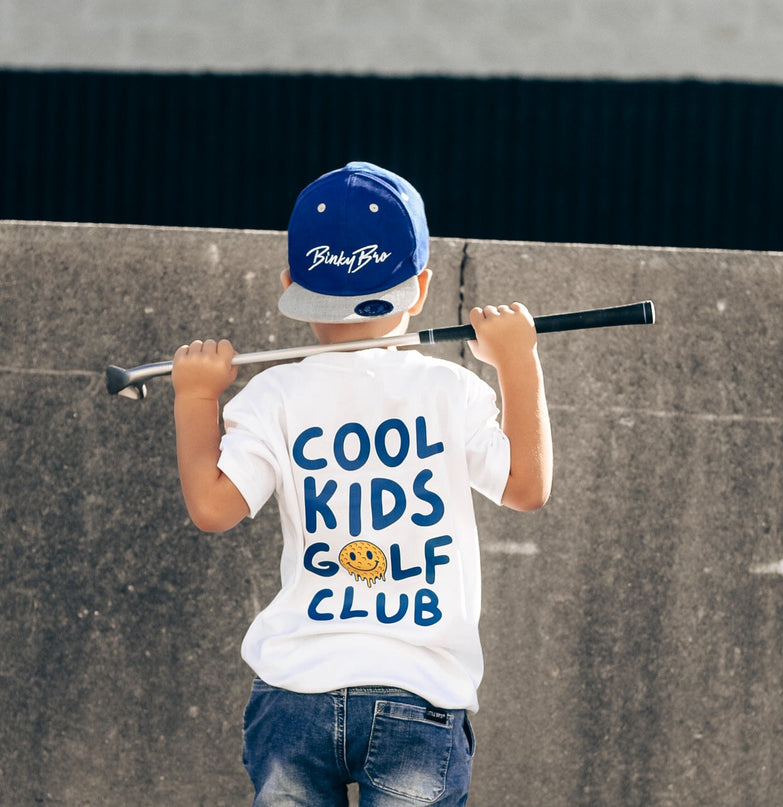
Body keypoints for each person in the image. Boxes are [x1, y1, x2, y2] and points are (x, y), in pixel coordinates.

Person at [171, 162, 553, 806]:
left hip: (294, 694)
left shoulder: (274, 394)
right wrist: (518, 360)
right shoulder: (448, 388)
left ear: (291, 283)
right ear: (422, 286)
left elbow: (212, 507)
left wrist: (194, 398)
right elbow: (525, 486)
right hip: (419, 693)